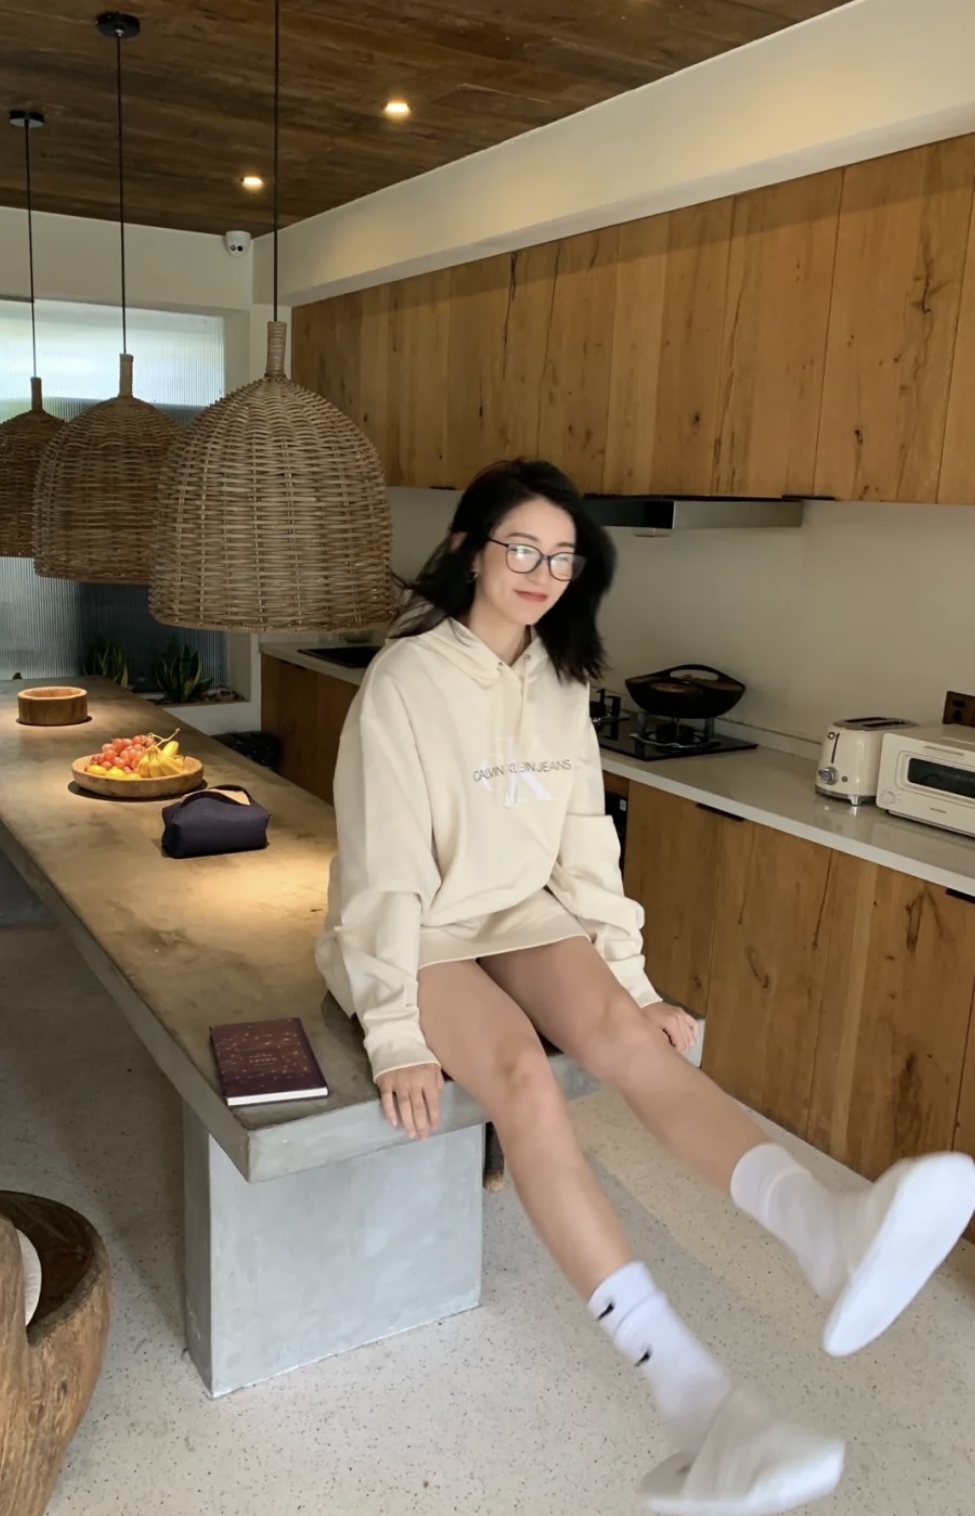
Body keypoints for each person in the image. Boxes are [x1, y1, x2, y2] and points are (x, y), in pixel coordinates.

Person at [316, 458, 975, 1516]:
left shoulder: (561, 679)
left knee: (630, 1041)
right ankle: (698, 1407)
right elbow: (383, 871)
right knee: (525, 1084)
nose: (542, 572)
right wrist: (394, 1030)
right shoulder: (406, 680)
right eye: (521, 548)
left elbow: (585, 848)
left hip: (524, 911)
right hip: (421, 927)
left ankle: (828, 1231)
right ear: (467, 551)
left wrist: (633, 983)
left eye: (563, 557)